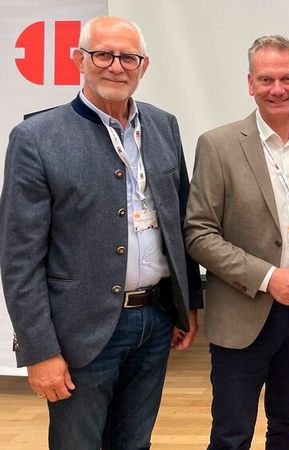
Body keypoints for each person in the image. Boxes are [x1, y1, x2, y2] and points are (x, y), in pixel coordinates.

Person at [0, 16, 202, 449]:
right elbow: (19, 259)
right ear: (79, 60)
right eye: (103, 54)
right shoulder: (36, 137)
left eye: (128, 57)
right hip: (80, 332)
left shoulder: (164, 124)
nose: (116, 66)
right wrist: (39, 351)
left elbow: (178, 219)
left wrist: (188, 306)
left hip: (155, 320)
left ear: (143, 65)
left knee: (134, 443)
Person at [183, 35, 289, 450]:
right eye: (267, 79)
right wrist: (268, 276)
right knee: (231, 434)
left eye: (287, 78)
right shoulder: (218, 145)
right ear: (250, 84)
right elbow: (198, 232)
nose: (278, 89)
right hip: (243, 314)